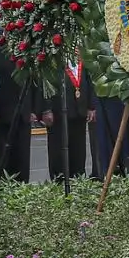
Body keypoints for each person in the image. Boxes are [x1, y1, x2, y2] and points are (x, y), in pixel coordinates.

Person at [0, 33, 33, 189]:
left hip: (23, 111)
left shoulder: (28, 45)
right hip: (0, 113)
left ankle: (22, 193)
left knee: (22, 158)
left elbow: (34, 77)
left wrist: (34, 108)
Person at [42, 52, 91, 181]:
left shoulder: (82, 59)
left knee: (79, 151)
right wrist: (46, 109)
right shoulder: (52, 58)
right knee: (58, 151)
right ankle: (59, 180)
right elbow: (45, 85)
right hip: (58, 113)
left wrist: (91, 107)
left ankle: (78, 179)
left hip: (79, 111)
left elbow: (89, 82)